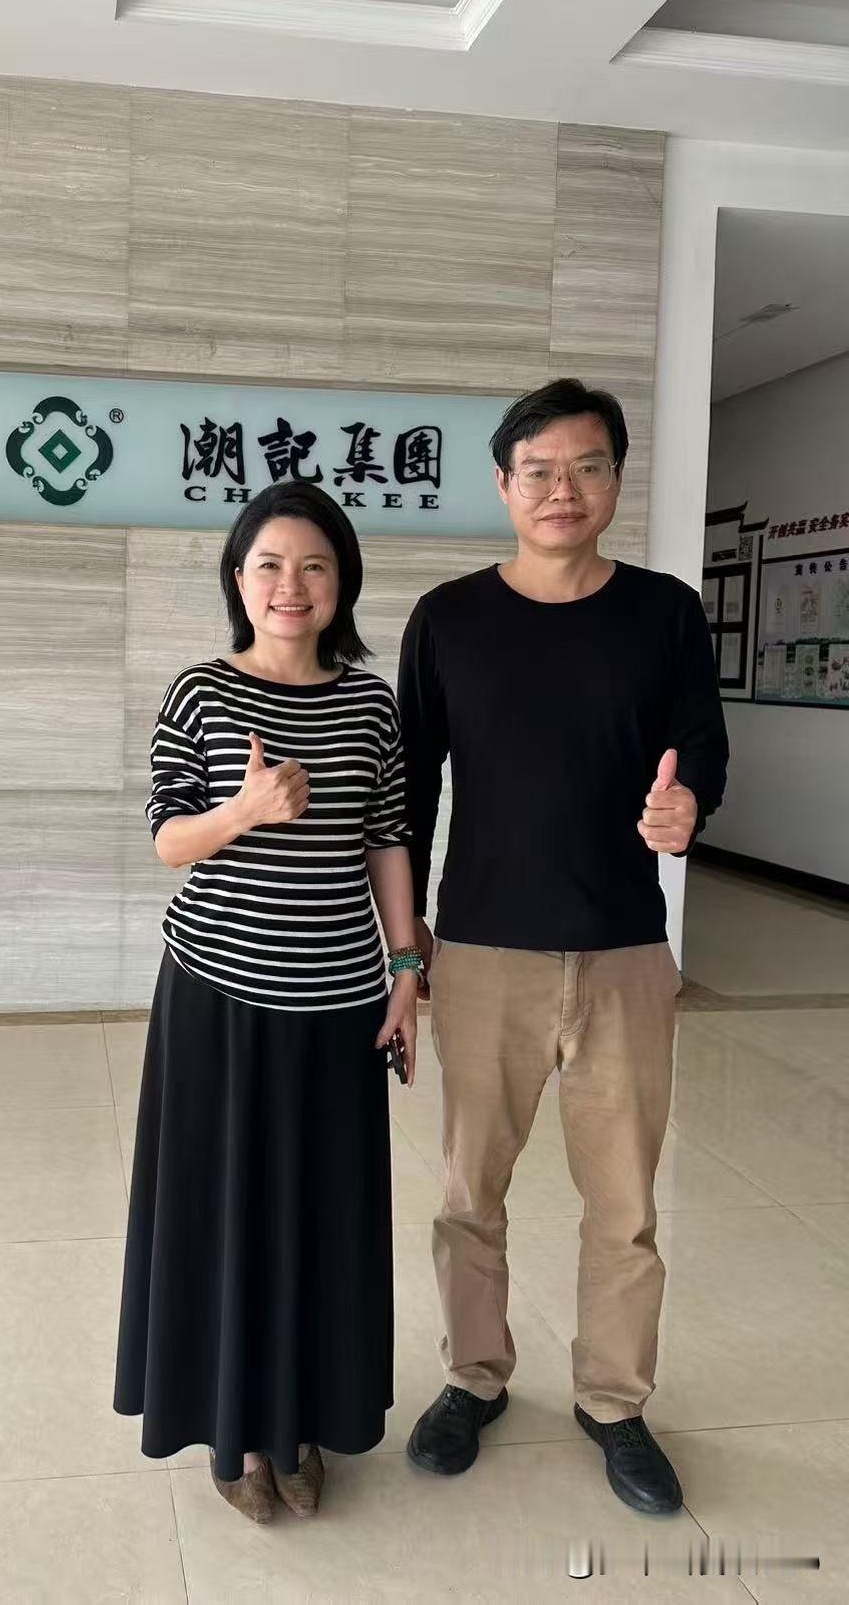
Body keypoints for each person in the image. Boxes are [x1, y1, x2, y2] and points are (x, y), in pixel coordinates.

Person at [398, 379, 728, 1516]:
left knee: (623, 1204)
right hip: (484, 952)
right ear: (503, 485)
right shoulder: (448, 619)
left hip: (623, 951)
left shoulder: (663, 613)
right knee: (468, 1191)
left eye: (586, 466)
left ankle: (613, 1401)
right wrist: (407, 941)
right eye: (537, 469)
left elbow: (700, 747)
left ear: (615, 481)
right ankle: (472, 1379)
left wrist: (689, 809)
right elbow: (409, 786)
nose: (561, 489)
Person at [114, 480, 421, 1525]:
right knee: (224, 1214)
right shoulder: (200, 693)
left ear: (342, 583)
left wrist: (405, 970)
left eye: (314, 565)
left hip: (337, 1005)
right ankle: (234, 1428)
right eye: (269, 565)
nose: (291, 585)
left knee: (319, 1218)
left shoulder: (369, 704)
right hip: (219, 1004)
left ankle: (302, 1419)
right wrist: (241, 811)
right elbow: (167, 839)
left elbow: (388, 838)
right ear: (238, 581)